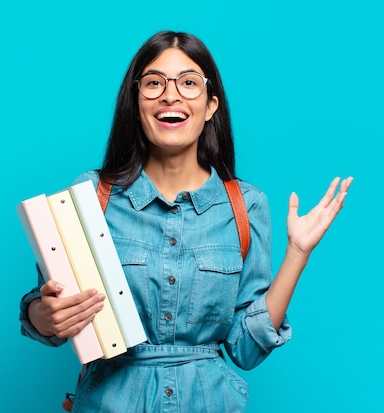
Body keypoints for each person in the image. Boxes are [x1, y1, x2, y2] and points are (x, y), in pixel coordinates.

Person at [19, 30, 353, 412]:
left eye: (189, 83)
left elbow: (246, 348)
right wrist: (44, 315)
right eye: (154, 83)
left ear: (211, 105)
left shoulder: (247, 206)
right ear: (135, 100)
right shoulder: (92, 194)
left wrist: (297, 253)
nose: (171, 94)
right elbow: (47, 308)